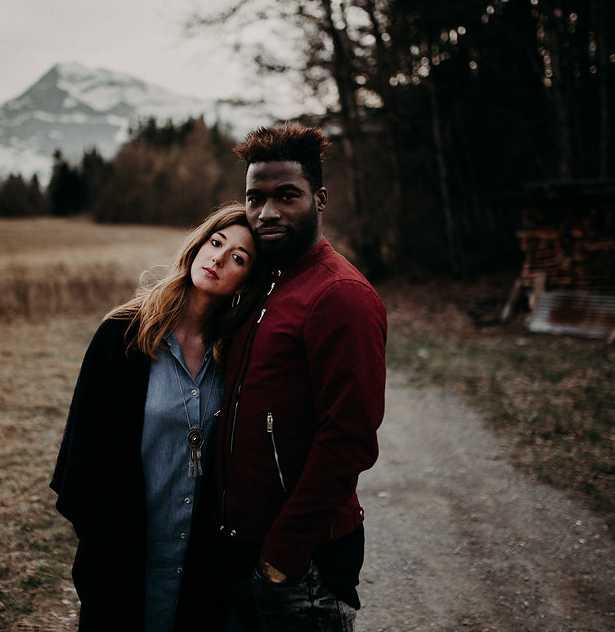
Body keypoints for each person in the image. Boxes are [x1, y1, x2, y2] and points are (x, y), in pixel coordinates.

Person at [51, 202, 264, 632]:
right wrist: (105, 542)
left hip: (198, 561)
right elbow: (80, 455)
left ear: (246, 281)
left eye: (238, 258)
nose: (219, 258)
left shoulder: (235, 353)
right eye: (216, 242)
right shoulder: (122, 335)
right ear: (197, 246)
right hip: (125, 553)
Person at [213, 125, 388, 631]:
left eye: (287, 196)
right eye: (255, 198)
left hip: (302, 561)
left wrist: (283, 554)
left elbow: (349, 438)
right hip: (241, 549)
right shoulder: (263, 284)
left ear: (319, 199)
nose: (267, 212)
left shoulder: (340, 295)